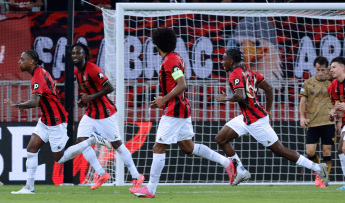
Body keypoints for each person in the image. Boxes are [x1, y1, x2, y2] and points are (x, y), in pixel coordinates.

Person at [130, 28, 237, 198]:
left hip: (175, 108)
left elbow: (182, 84)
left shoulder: (171, 60)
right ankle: (227, 162)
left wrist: (164, 99)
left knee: (158, 146)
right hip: (179, 107)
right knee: (187, 147)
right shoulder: (174, 57)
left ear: (157, 44)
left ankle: (150, 189)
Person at [215, 48, 329, 186]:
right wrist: (268, 110)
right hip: (246, 118)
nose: (222, 62)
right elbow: (268, 89)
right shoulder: (250, 73)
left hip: (256, 121)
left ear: (231, 61)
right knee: (221, 138)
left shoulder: (235, 74)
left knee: (280, 150)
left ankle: (318, 168)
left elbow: (241, 96)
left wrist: (225, 98)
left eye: (223, 59)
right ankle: (241, 171)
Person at [4, 50, 111, 194]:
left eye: (22, 59)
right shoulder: (41, 72)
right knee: (31, 149)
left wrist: (16, 105)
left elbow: (34, 102)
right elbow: (41, 97)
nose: (19, 61)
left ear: (31, 62)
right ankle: (29, 188)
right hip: (46, 119)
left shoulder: (37, 76)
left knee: (59, 159)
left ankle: (92, 139)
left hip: (56, 120)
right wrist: (26, 103)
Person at [71, 43, 144, 190]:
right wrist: (83, 101)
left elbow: (110, 87)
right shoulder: (76, 72)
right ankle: (101, 173)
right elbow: (89, 92)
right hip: (91, 113)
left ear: (85, 55)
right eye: (73, 53)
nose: (75, 56)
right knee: (81, 142)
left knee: (117, 145)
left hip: (105, 114)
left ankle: (136, 176)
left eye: (78, 53)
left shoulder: (92, 68)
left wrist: (90, 98)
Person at [299, 56, 334, 188]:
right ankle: (320, 171)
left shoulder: (332, 82)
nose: (320, 72)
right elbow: (302, 101)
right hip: (312, 122)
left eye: (323, 70)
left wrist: (338, 121)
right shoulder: (308, 83)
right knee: (310, 152)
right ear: (315, 68)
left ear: (327, 69)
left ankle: (324, 178)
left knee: (327, 151)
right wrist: (302, 117)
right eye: (318, 70)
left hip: (328, 122)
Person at [328, 57, 345, 190]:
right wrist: (334, 112)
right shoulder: (334, 84)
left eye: (333, 67)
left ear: (342, 67)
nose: (331, 69)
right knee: (341, 149)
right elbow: (338, 105)